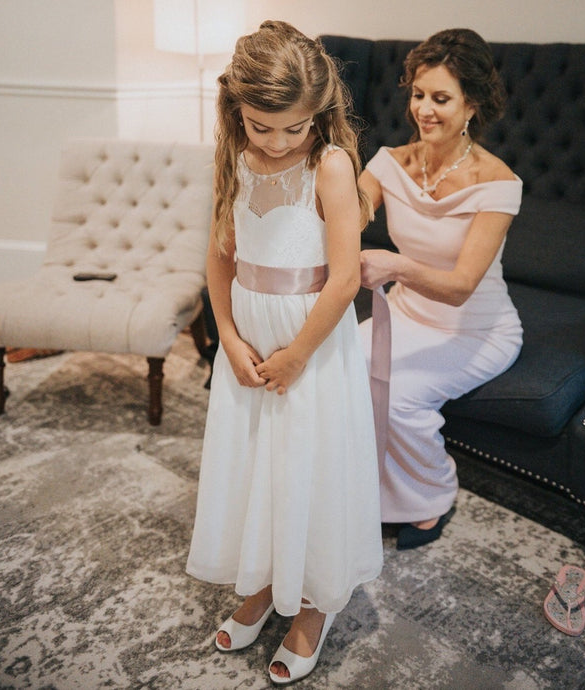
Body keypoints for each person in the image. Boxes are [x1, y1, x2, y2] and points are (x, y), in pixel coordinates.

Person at [186, 21, 383, 685]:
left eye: (293, 128)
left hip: (311, 345)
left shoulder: (328, 164)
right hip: (246, 343)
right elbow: (219, 255)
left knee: (306, 467)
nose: (276, 142)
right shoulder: (231, 156)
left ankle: (312, 604)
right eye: (261, 126)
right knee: (254, 469)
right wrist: (229, 339)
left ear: (318, 115)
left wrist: (298, 353)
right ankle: (268, 580)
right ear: (235, 109)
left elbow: (347, 276)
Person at [358, 28, 523, 550]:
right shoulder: (390, 163)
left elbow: (459, 288)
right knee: (338, 367)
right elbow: (346, 215)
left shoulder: (497, 184)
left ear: (472, 103)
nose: (424, 110)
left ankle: (432, 493)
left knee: (400, 396)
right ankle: (363, 489)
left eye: (441, 98)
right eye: (418, 95)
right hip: (405, 315)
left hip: (475, 328)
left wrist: (395, 265)